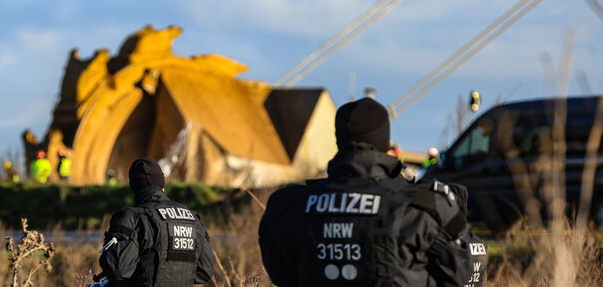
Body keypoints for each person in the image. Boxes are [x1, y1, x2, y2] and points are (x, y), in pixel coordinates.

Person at [258, 98, 485, 286]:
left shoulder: (289, 206)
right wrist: (460, 221)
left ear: (339, 140)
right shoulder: (425, 206)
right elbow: (465, 276)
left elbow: (281, 274)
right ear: (384, 140)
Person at [95, 158, 215, 286]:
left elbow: (117, 270)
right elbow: (205, 271)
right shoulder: (192, 217)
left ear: (133, 187)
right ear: (162, 184)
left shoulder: (132, 217)